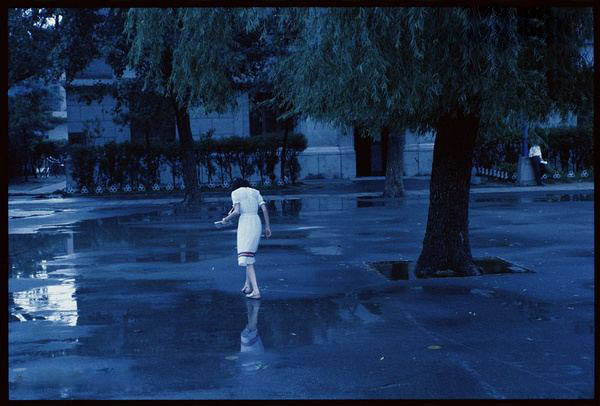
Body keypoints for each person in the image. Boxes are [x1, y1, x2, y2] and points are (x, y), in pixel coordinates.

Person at [221, 178, 271, 299]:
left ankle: (256, 290)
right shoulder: (255, 192)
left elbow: (236, 211)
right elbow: (264, 209)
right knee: (249, 255)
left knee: (247, 258)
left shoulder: (235, 193)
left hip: (246, 223)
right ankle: (248, 285)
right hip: (256, 222)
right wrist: (267, 226)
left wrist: (225, 219)